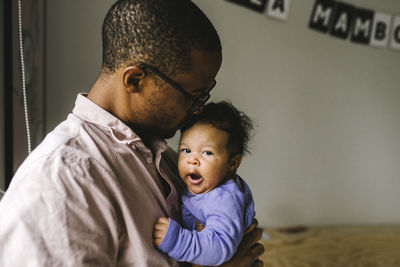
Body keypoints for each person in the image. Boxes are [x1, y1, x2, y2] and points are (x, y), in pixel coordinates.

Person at [0, 0, 264, 266]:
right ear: (136, 80)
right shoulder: (60, 183)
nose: (198, 111)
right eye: (193, 96)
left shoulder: (166, 157)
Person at [153, 101, 255, 266]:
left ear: (233, 163)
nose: (192, 160)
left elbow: (219, 248)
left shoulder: (224, 199)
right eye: (186, 150)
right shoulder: (205, 189)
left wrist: (177, 240)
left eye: (207, 152)